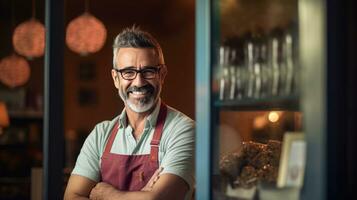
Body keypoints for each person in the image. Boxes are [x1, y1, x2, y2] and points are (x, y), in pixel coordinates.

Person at [64, 26, 195, 200]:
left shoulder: (184, 130)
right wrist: (141, 196)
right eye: (128, 72)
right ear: (116, 79)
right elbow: (71, 197)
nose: (139, 82)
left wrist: (108, 194)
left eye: (148, 71)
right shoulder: (100, 134)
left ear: (162, 75)